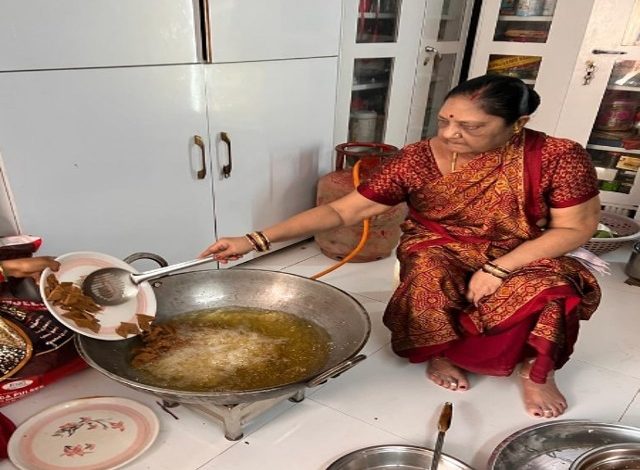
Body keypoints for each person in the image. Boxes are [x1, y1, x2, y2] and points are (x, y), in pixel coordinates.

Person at [200, 75, 602, 419]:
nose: (449, 134)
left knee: (552, 286)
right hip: (440, 243)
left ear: (518, 124)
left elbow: (575, 227)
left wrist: (499, 268)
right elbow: (343, 210)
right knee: (428, 271)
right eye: (445, 120)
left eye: (471, 126)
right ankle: (440, 352)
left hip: (524, 247)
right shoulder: (417, 159)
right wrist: (254, 240)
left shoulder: (556, 156)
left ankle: (537, 371)